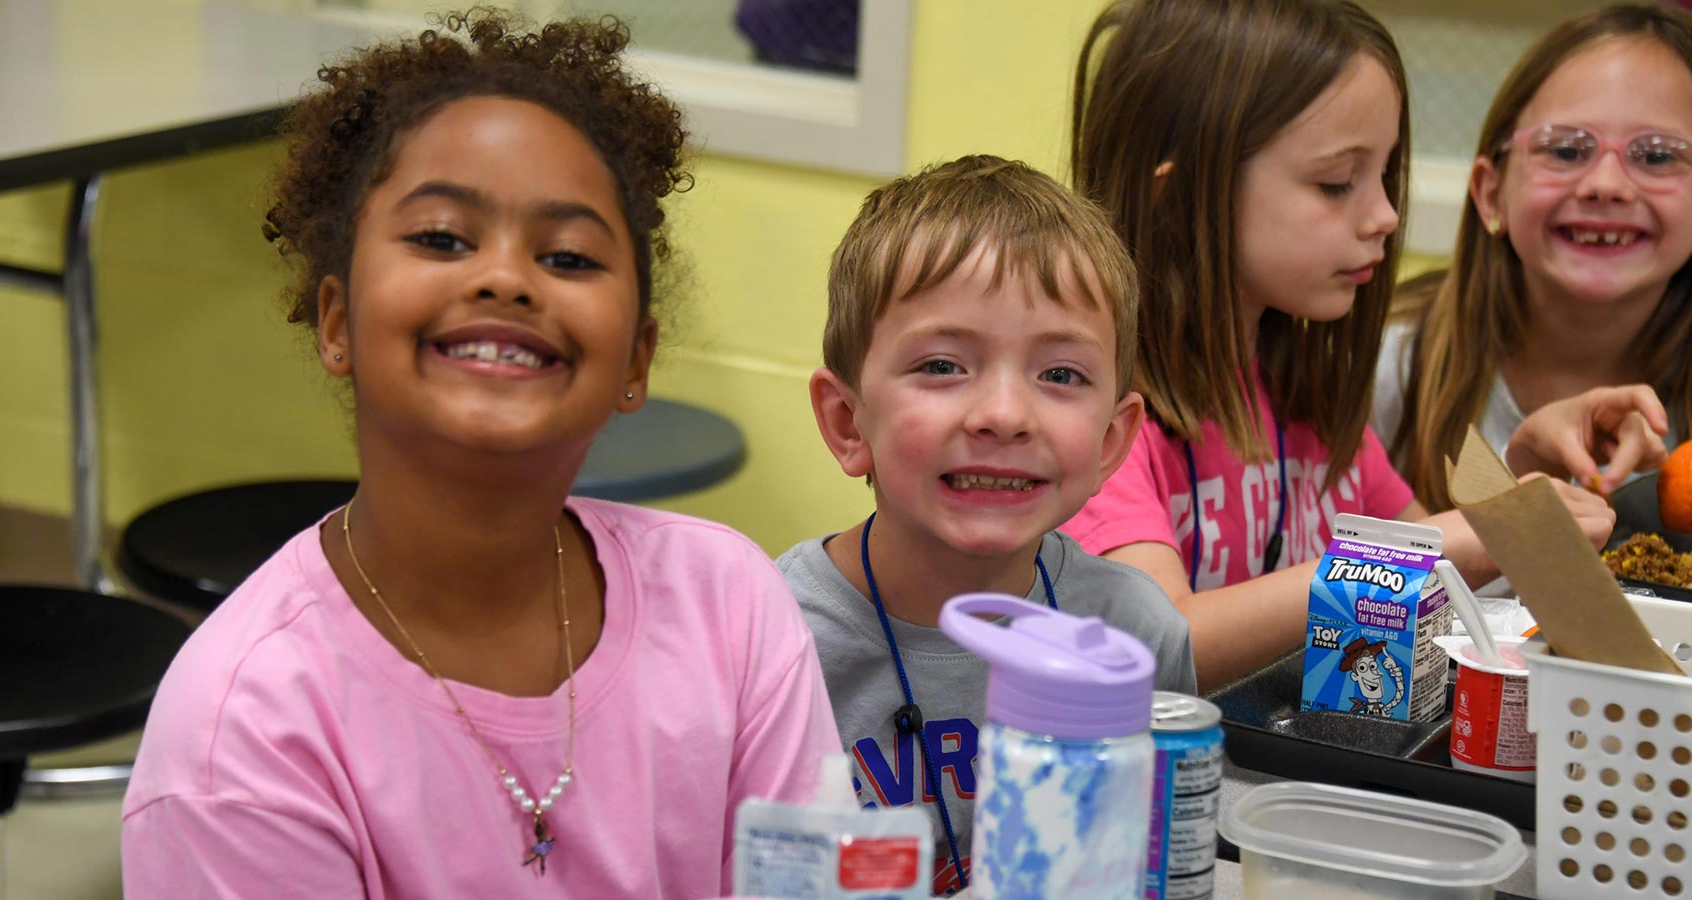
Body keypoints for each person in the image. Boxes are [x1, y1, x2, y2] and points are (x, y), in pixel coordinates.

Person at [121, 13, 841, 897]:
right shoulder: (247, 728)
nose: (505, 278)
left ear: (636, 360)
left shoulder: (728, 606)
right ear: (337, 322)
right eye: (441, 238)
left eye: (568, 255)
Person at [1062, 0, 1615, 690]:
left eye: (1385, 176)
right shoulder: (1098, 421)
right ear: (1177, 200)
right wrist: (1455, 539)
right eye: (1335, 183)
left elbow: (1453, 602)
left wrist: (1519, 490)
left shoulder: (1309, 402)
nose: (1385, 215)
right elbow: (1166, 642)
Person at [779, 154, 1195, 895]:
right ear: (849, 423)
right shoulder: (770, 638)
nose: (1004, 416)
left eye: (1060, 375)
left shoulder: (1133, 633)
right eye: (942, 366)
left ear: (1109, 444)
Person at [1375, 3, 1692, 509]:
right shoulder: (1387, 372)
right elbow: (1333, 584)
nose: (1606, 185)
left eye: (1658, 155)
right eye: (1566, 150)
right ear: (1491, 193)